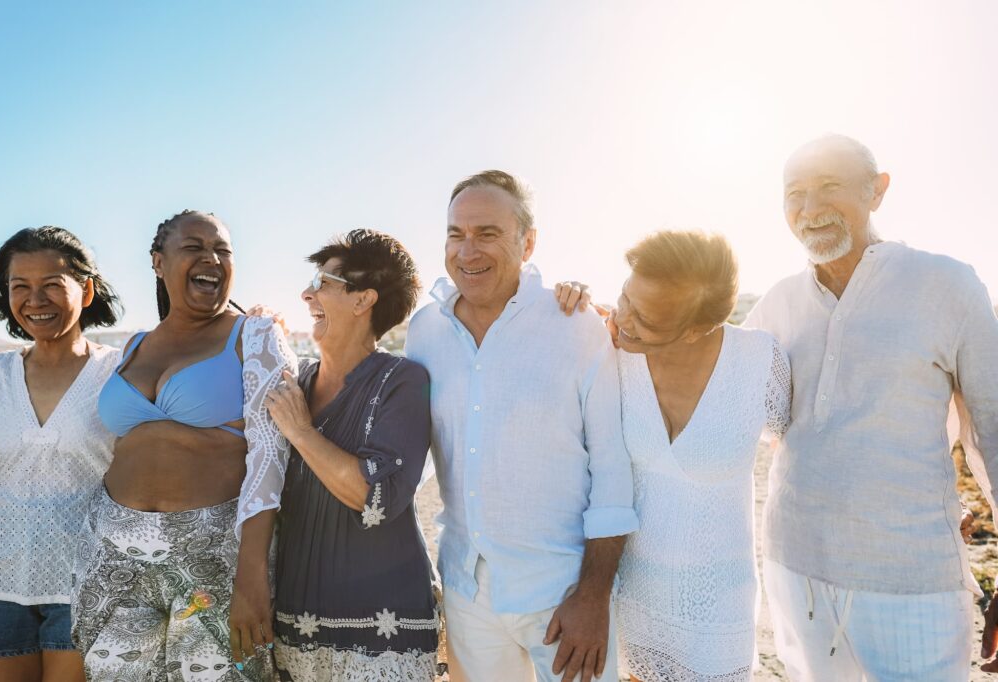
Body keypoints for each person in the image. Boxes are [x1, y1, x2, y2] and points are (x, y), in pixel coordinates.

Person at [745, 134, 998, 680]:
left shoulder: (947, 284)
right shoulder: (776, 302)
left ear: (877, 191)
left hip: (912, 579)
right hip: (797, 566)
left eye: (830, 187)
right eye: (795, 194)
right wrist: (608, 325)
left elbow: (992, 434)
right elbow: (718, 386)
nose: (809, 210)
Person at [405, 170, 638, 682]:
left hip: (563, 594)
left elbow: (613, 471)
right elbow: (412, 452)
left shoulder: (576, 324)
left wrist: (594, 597)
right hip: (466, 589)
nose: (468, 251)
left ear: (527, 242)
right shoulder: (424, 332)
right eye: (455, 234)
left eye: (487, 233)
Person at [70, 210, 296, 681]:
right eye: (193, 247)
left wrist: (252, 573)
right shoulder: (132, 346)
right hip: (112, 552)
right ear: (158, 262)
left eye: (222, 250)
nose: (211, 258)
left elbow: (270, 457)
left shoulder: (253, 335)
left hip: (213, 554)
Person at [609, 230, 790, 681]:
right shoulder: (610, 353)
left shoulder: (759, 362)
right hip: (626, 594)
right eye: (624, 299)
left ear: (696, 329)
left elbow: (792, 441)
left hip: (717, 607)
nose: (623, 318)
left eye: (644, 318)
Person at [263, 228, 439, 680]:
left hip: (384, 634)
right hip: (292, 625)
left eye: (324, 282)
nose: (307, 293)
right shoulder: (293, 382)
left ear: (364, 301)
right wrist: (256, 335)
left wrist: (302, 432)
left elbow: (374, 495)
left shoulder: (403, 381)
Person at [0, 227, 122, 682]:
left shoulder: (119, 374)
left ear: (87, 289)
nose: (35, 300)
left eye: (52, 285)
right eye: (20, 287)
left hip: (84, 584)